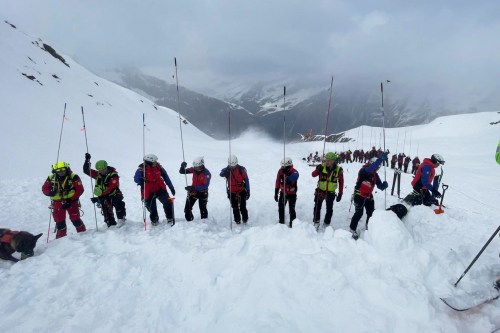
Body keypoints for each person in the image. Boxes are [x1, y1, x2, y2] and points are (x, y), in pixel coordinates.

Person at [42, 162, 87, 239]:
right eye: (58, 170)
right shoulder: (51, 178)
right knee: (60, 222)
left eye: (63, 170)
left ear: (66, 169)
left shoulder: (73, 177)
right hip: (57, 203)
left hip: (72, 202)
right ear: (55, 171)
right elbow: (44, 188)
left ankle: (84, 235)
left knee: (75, 219)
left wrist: (71, 200)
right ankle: (60, 239)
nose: (61, 172)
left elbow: (80, 189)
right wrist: (49, 193)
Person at [349, 154, 388, 240]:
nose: (378, 169)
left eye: (379, 167)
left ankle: (369, 227)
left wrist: (384, 185)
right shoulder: (364, 170)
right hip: (359, 195)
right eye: (377, 166)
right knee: (359, 213)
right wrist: (381, 159)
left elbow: (380, 186)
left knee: (371, 213)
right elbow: (370, 169)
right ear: (372, 164)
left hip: (369, 196)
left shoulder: (375, 175)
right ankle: (352, 229)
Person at [83, 153, 126, 227]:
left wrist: (99, 197)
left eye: (103, 169)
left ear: (106, 167)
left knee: (118, 204)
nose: (102, 171)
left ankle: (121, 219)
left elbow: (111, 187)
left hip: (114, 194)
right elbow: (86, 170)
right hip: (104, 196)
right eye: (100, 170)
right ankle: (111, 224)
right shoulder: (97, 174)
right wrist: (87, 160)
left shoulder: (113, 175)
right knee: (107, 211)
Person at [134, 154, 175, 226]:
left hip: (159, 188)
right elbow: (136, 179)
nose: (156, 162)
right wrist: (141, 179)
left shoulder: (158, 167)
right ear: (149, 162)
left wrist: (171, 187)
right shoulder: (141, 169)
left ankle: (170, 218)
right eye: (154, 162)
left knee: (167, 202)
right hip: (148, 190)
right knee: (151, 207)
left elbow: (166, 176)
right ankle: (154, 220)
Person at [312, 152, 344, 230]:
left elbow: (341, 182)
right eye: (326, 160)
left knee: (329, 208)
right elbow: (313, 175)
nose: (328, 162)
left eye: (330, 160)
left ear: (334, 161)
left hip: (331, 192)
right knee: (317, 207)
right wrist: (317, 170)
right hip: (320, 191)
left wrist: (340, 193)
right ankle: (316, 221)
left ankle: (326, 223)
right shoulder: (321, 167)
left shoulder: (338, 170)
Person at [220, 155, 249, 224]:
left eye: (234, 165)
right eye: (231, 166)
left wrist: (248, 191)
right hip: (232, 191)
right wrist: (226, 171)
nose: (233, 167)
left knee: (242, 207)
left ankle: (245, 219)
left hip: (241, 190)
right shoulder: (226, 169)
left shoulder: (241, 169)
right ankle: (237, 220)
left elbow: (246, 180)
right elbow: (221, 174)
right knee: (235, 207)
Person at [180, 156, 211, 221]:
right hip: (193, 191)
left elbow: (205, 185)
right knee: (187, 208)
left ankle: (204, 222)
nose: (196, 168)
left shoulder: (207, 173)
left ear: (202, 165)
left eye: (198, 167)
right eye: (195, 167)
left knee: (202, 208)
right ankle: (189, 221)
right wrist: (182, 166)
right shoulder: (193, 169)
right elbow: (182, 171)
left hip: (203, 192)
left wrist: (193, 187)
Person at [274, 157, 299, 226]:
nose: (282, 167)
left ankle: (293, 223)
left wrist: (287, 173)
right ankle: (281, 222)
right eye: (282, 166)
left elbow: (294, 177)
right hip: (283, 193)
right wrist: (276, 192)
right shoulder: (280, 171)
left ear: (289, 165)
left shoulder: (294, 171)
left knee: (292, 209)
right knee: (281, 208)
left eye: (284, 166)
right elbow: (278, 181)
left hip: (292, 194)